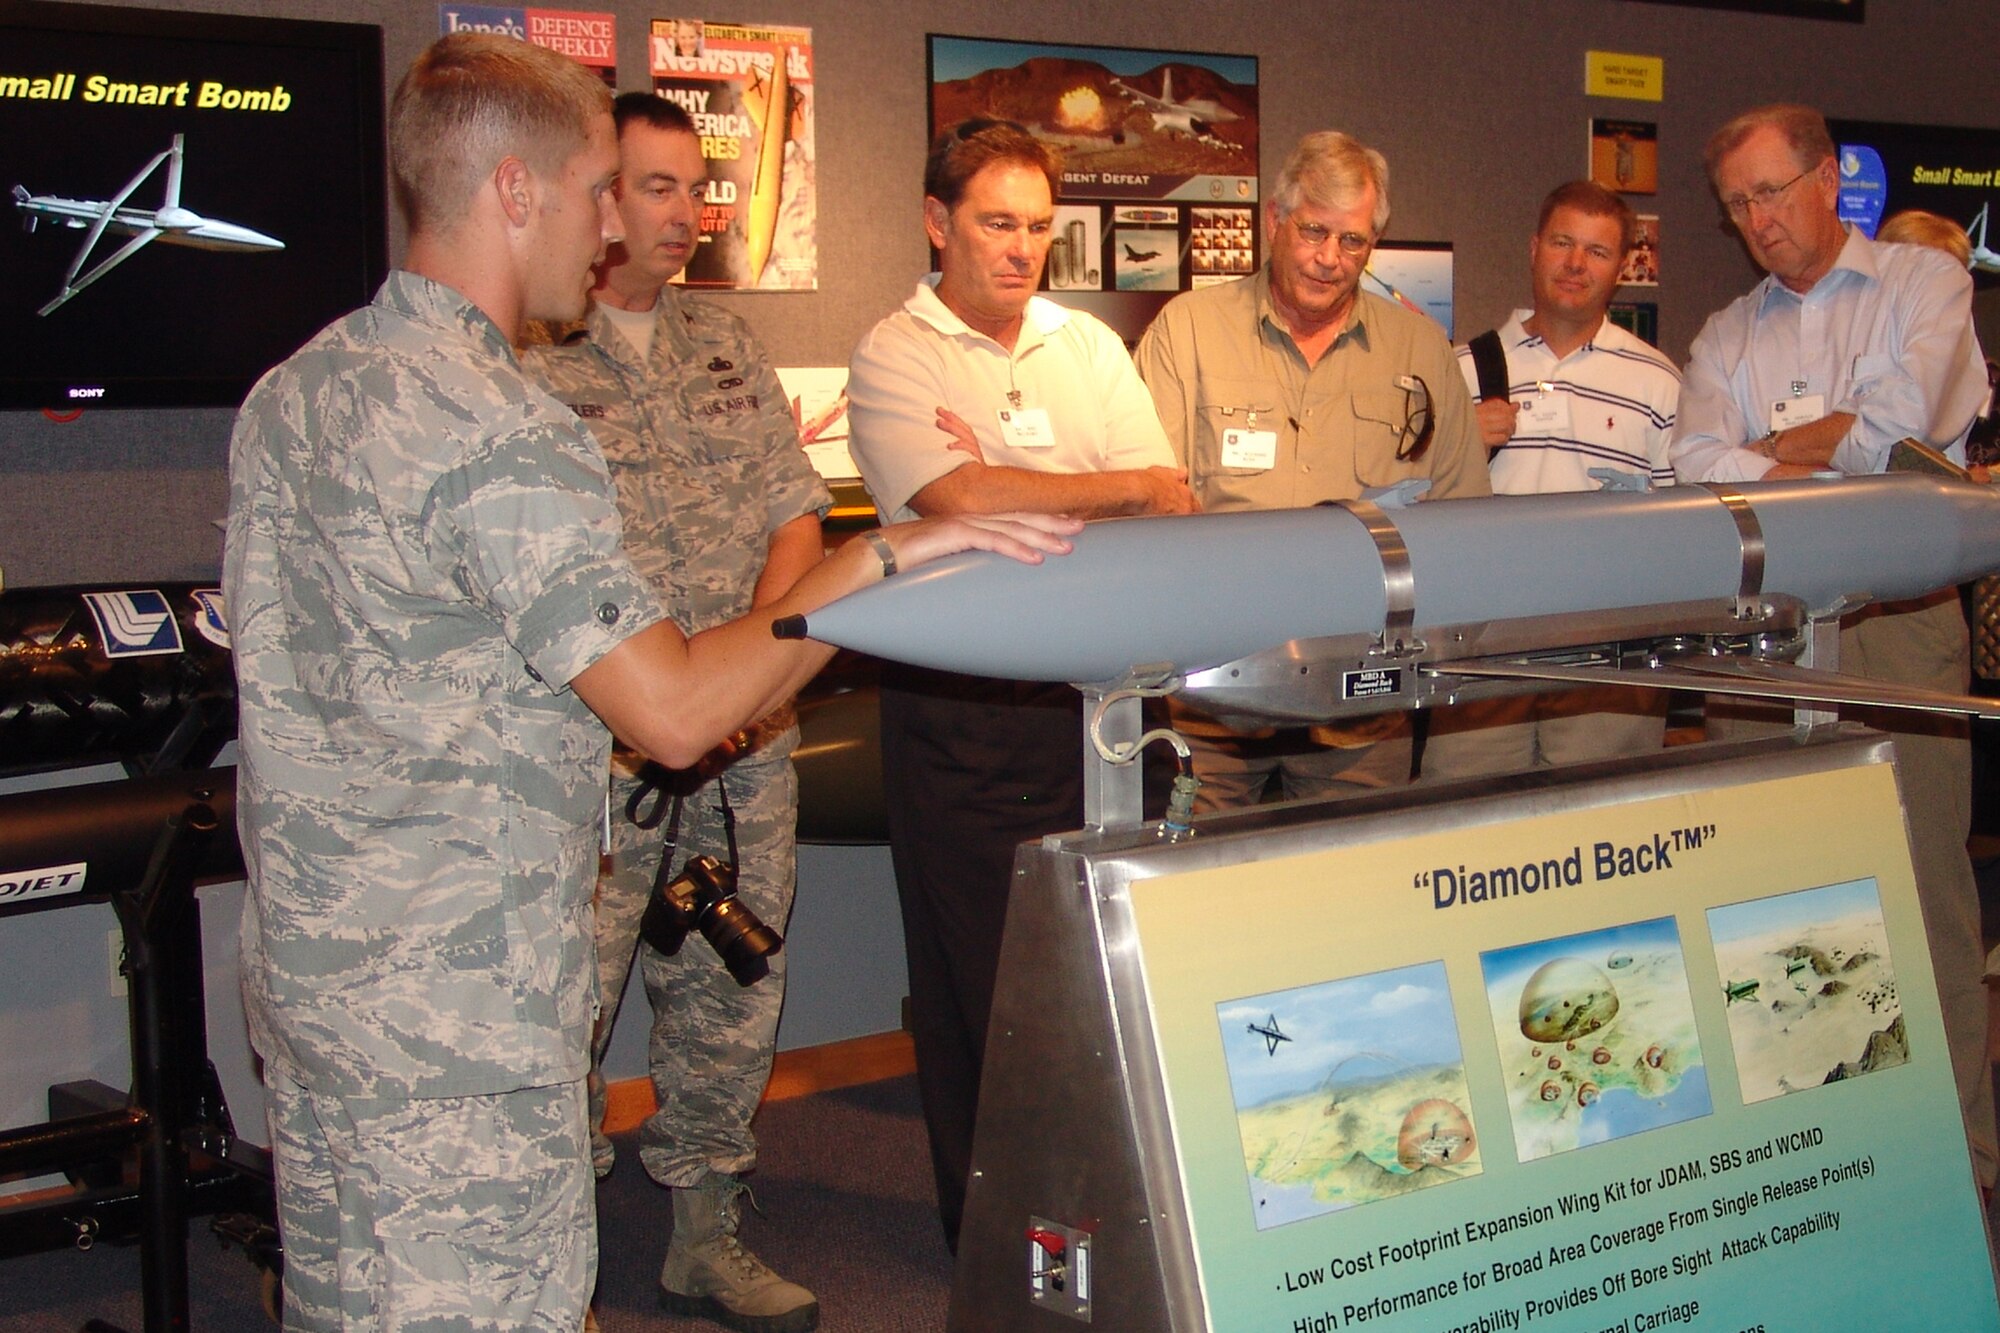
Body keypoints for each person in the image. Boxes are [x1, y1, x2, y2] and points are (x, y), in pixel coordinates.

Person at [223, 36, 1074, 1331]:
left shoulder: (297, 392)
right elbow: (673, 713)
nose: (609, 226)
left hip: (323, 994)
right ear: (518, 194)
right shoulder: (505, 425)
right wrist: (878, 561)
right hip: (459, 1028)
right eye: (594, 190)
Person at [844, 118, 1196, 1251]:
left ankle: (1104, 1222)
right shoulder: (896, 352)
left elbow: (1171, 492)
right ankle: (993, 1244)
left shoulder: (1086, 347)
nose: (1020, 249)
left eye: (1039, 228)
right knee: (979, 996)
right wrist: (1105, 484)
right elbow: (953, 501)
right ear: (936, 223)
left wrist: (1032, 483)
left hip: (1093, 703)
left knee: (1098, 983)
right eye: (997, 223)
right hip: (962, 713)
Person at [519, 93, 826, 1332]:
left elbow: (796, 519)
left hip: (743, 750)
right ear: (595, 199)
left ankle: (703, 1233)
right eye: (652, 187)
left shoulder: (722, 344)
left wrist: (738, 693)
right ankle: (559, 1266)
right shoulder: (525, 357)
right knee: (564, 1007)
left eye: (694, 189)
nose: (682, 213)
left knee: (730, 987)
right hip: (588, 764)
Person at [1670, 103, 1996, 1191]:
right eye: (1735, 205)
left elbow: (1903, 426)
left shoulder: (1922, 285)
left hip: (1894, 626)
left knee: (1921, 903)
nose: (1755, 219)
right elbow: (1692, 464)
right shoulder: (1724, 332)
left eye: (1769, 191)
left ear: (1824, 180)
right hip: (1757, 639)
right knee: (1767, 904)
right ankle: (1803, 1174)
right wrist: (1836, 455)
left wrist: (1772, 452)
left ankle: (1952, 1170)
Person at [1133, 130, 1489, 810]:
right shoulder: (1188, 332)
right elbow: (1149, 506)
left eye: (1351, 242)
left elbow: (1461, 515)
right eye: (1313, 232)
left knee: (1347, 891)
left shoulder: (1418, 349)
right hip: (1213, 695)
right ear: (1275, 221)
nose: (1329, 259)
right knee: (1203, 890)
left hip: (1362, 698)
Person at [1423, 180, 1680, 778]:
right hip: (1481, 648)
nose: (1575, 263)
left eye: (1597, 250)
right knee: (1469, 823)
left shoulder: (1658, 382)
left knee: (1605, 825)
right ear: (1534, 248)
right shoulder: (1458, 370)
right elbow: (1413, 506)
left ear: (1622, 267)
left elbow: (1679, 526)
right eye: (1563, 242)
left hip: (1611, 653)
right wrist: (1456, 444)